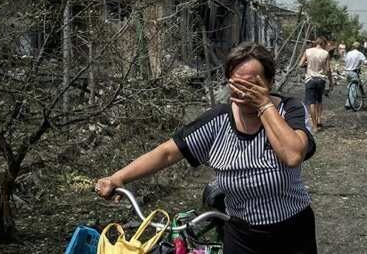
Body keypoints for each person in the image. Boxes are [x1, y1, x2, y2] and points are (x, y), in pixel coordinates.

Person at [95, 42, 317, 254]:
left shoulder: (289, 111)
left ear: (269, 83)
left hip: (292, 231)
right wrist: (118, 177)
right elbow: (168, 152)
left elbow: (292, 154)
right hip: (240, 233)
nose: (243, 92)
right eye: (236, 84)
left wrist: (264, 105)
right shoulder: (219, 119)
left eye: (252, 85)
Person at [299, 37, 332, 132]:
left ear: (316, 43)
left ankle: (314, 126)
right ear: (324, 44)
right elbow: (328, 69)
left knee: (311, 103)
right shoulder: (325, 53)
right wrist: (331, 82)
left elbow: (300, 64)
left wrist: (307, 64)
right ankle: (319, 119)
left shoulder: (308, 51)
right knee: (319, 100)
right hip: (321, 79)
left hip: (310, 79)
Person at [344, 41, 366, 109]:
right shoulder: (359, 54)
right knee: (353, 89)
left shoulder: (348, 53)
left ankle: (352, 102)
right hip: (354, 72)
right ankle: (349, 104)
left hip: (347, 72)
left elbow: (345, 60)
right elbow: (365, 61)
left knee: (350, 88)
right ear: (359, 47)